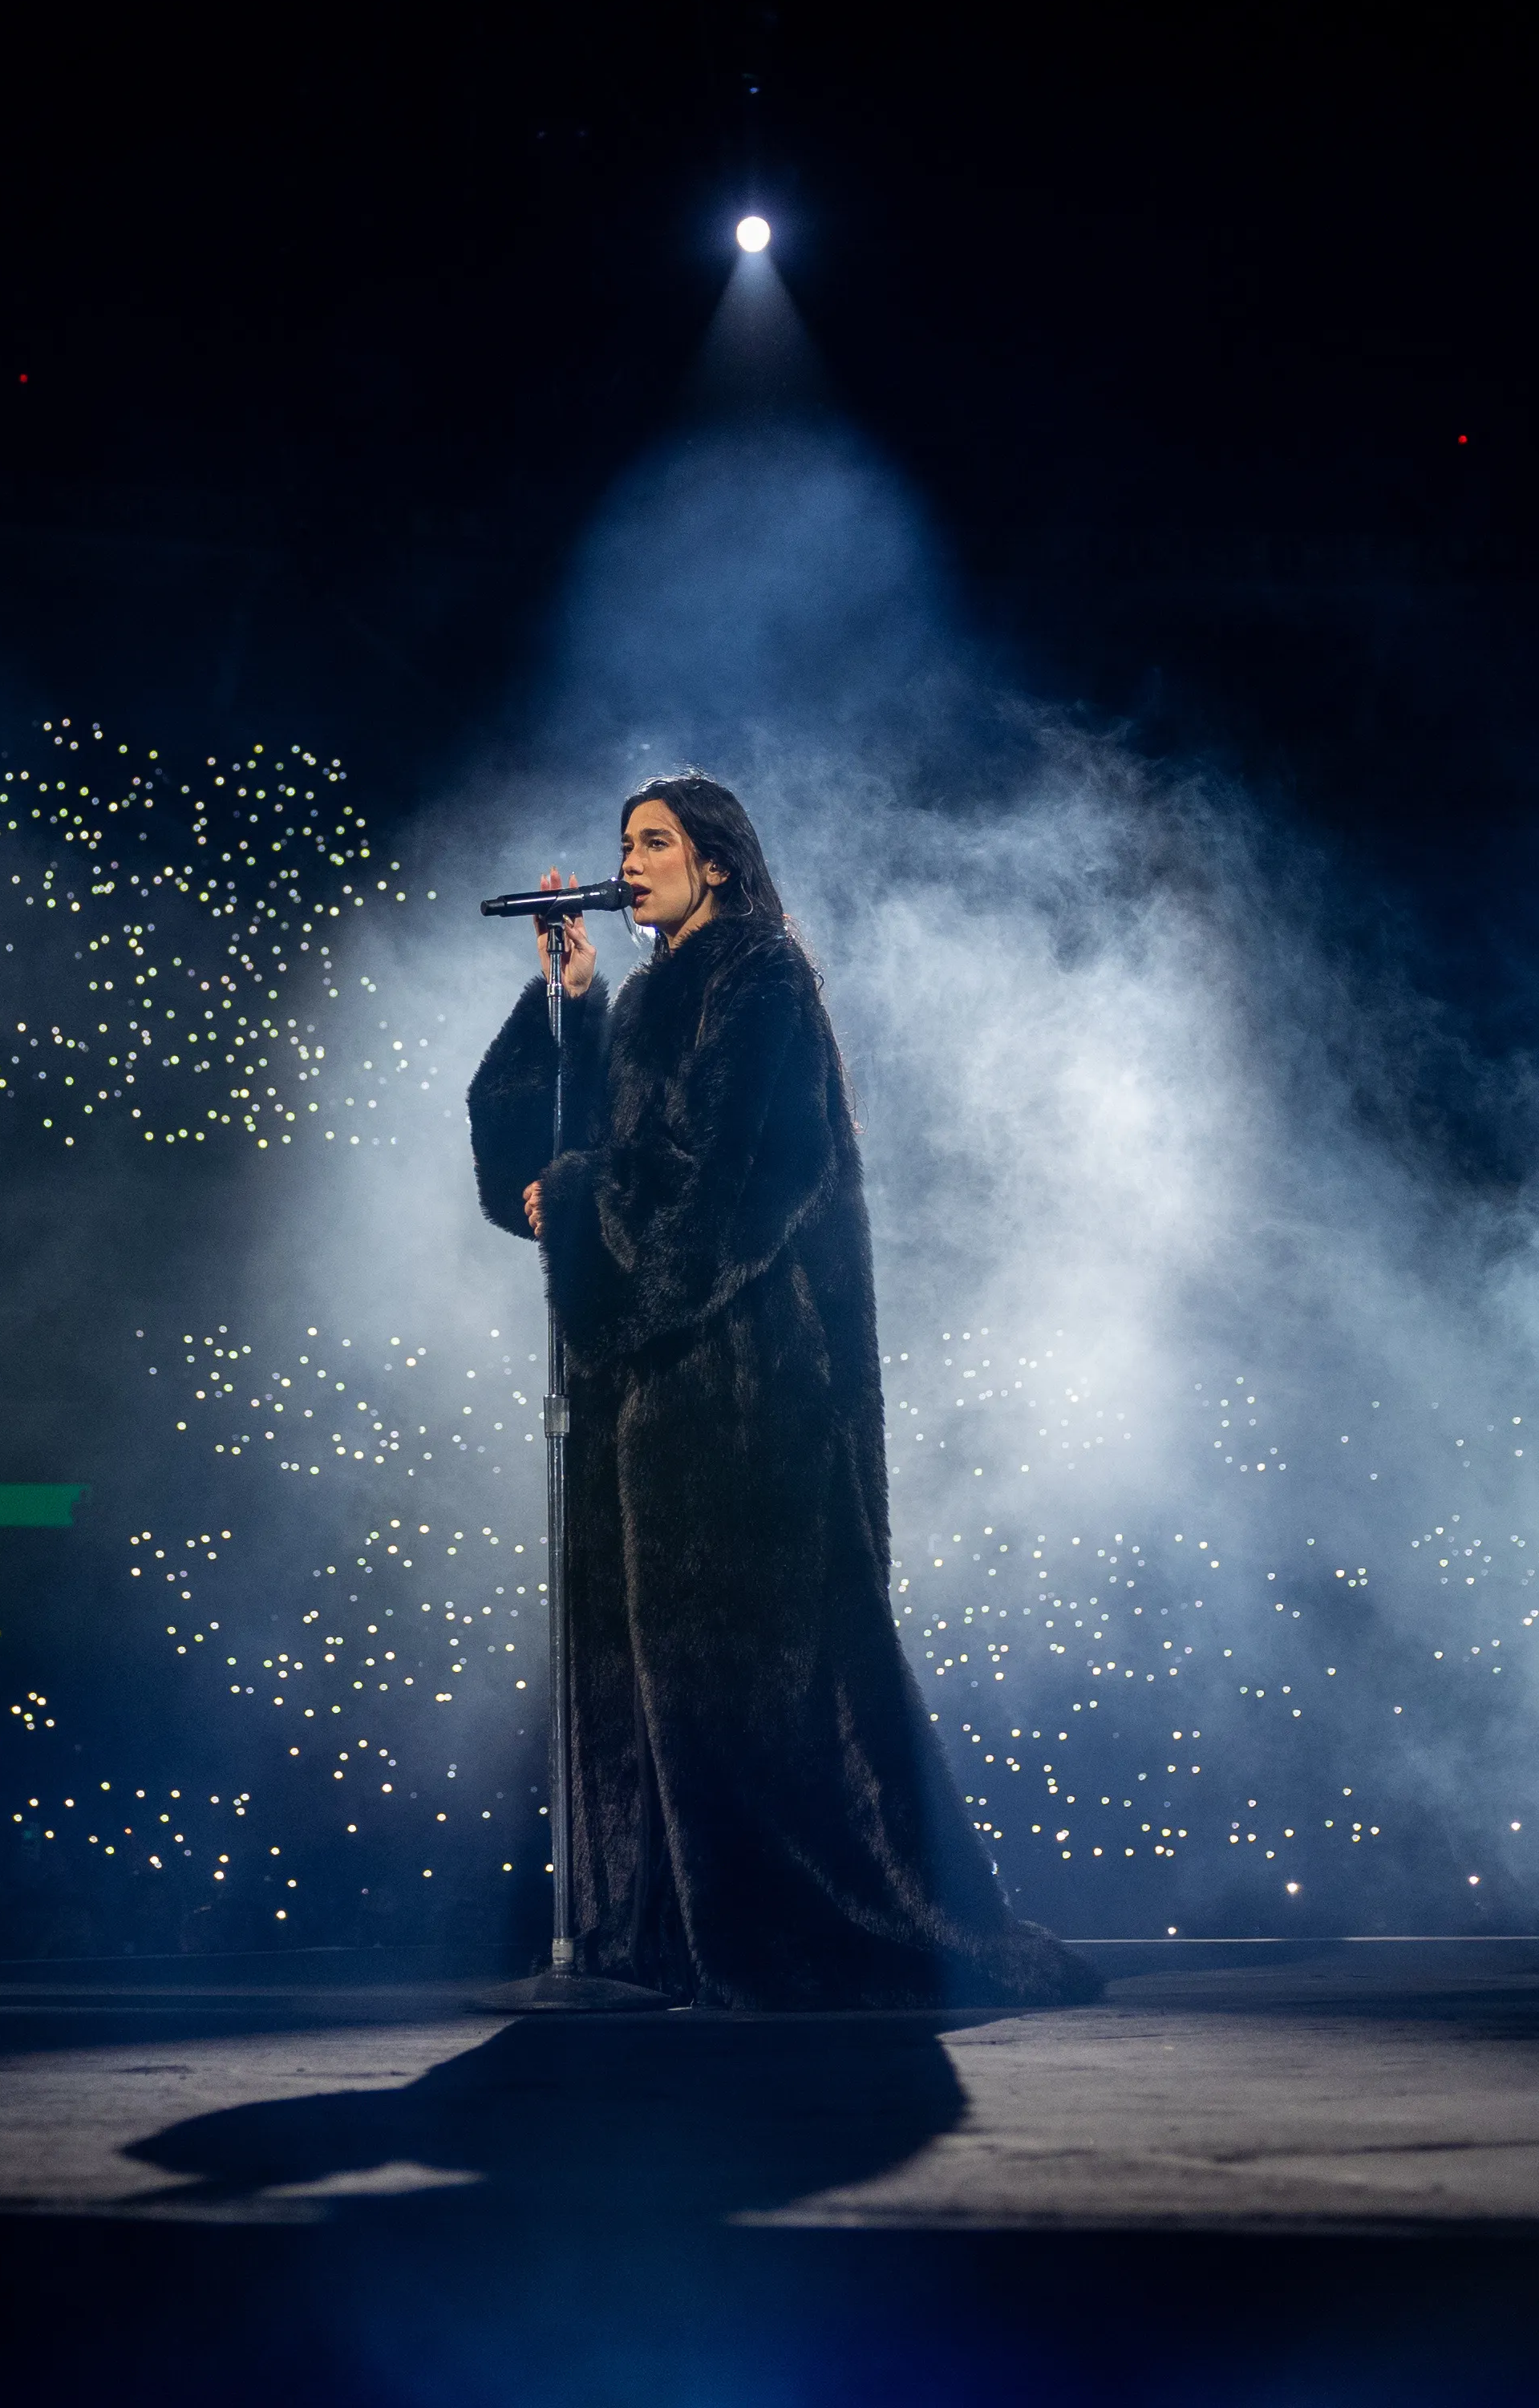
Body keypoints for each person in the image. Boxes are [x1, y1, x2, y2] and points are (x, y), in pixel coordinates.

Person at [468, 772, 1096, 2010]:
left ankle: (783, 1930)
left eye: (656, 842)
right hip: (650, 1387)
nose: (632, 861)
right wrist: (574, 1007)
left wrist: (590, 1204)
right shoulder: (651, 993)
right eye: (624, 844)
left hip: (747, 1390)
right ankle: (647, 1937)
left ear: (717, 859)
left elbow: (736, 1177)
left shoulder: (762, 979)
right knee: (648, 1673)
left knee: (747, 1674)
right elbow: (589, 1144)